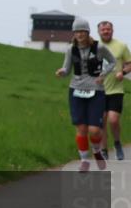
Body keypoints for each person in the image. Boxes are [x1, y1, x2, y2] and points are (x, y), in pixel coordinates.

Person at [55, 18, 117, 172]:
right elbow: (66, 68)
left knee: (94, 130)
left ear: (88, 32)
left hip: (96, 91)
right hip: (76, 90)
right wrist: (62, 72)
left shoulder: (99, 47)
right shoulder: (71, 49)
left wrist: (103, 74)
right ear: (74, 33)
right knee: (81, 128)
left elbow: (112, 62)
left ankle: (96, 151)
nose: (79, 34)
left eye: (82, 31)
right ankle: (84, 160)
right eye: (76, 31)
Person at [98, 21, 130, 160]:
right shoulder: (94, 47)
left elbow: (129, 64)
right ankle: (104, 149)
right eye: (103, 29)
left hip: (115, 89)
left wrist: (123, 72)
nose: (106, 31)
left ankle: (117, 143)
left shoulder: (121, 46)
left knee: (113, 120)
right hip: (98, 90)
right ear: (99, 31)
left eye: (108, 29)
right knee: (102, 121)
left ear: (112, 30)